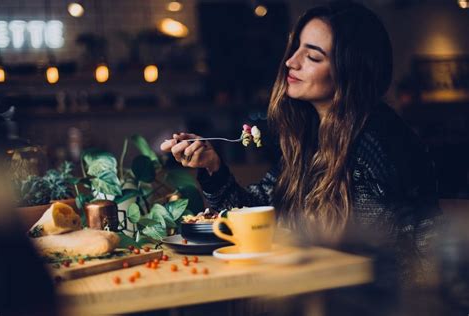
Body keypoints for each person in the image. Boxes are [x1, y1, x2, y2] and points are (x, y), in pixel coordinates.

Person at [161, 1, 441, 288]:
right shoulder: (311, 136)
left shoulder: (376, 141)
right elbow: (259, 215)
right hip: (323, 291)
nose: (291, 62)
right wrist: (214, 167)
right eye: (296, 48)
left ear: (350, 70)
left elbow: (388, 257)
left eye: (313, 57)